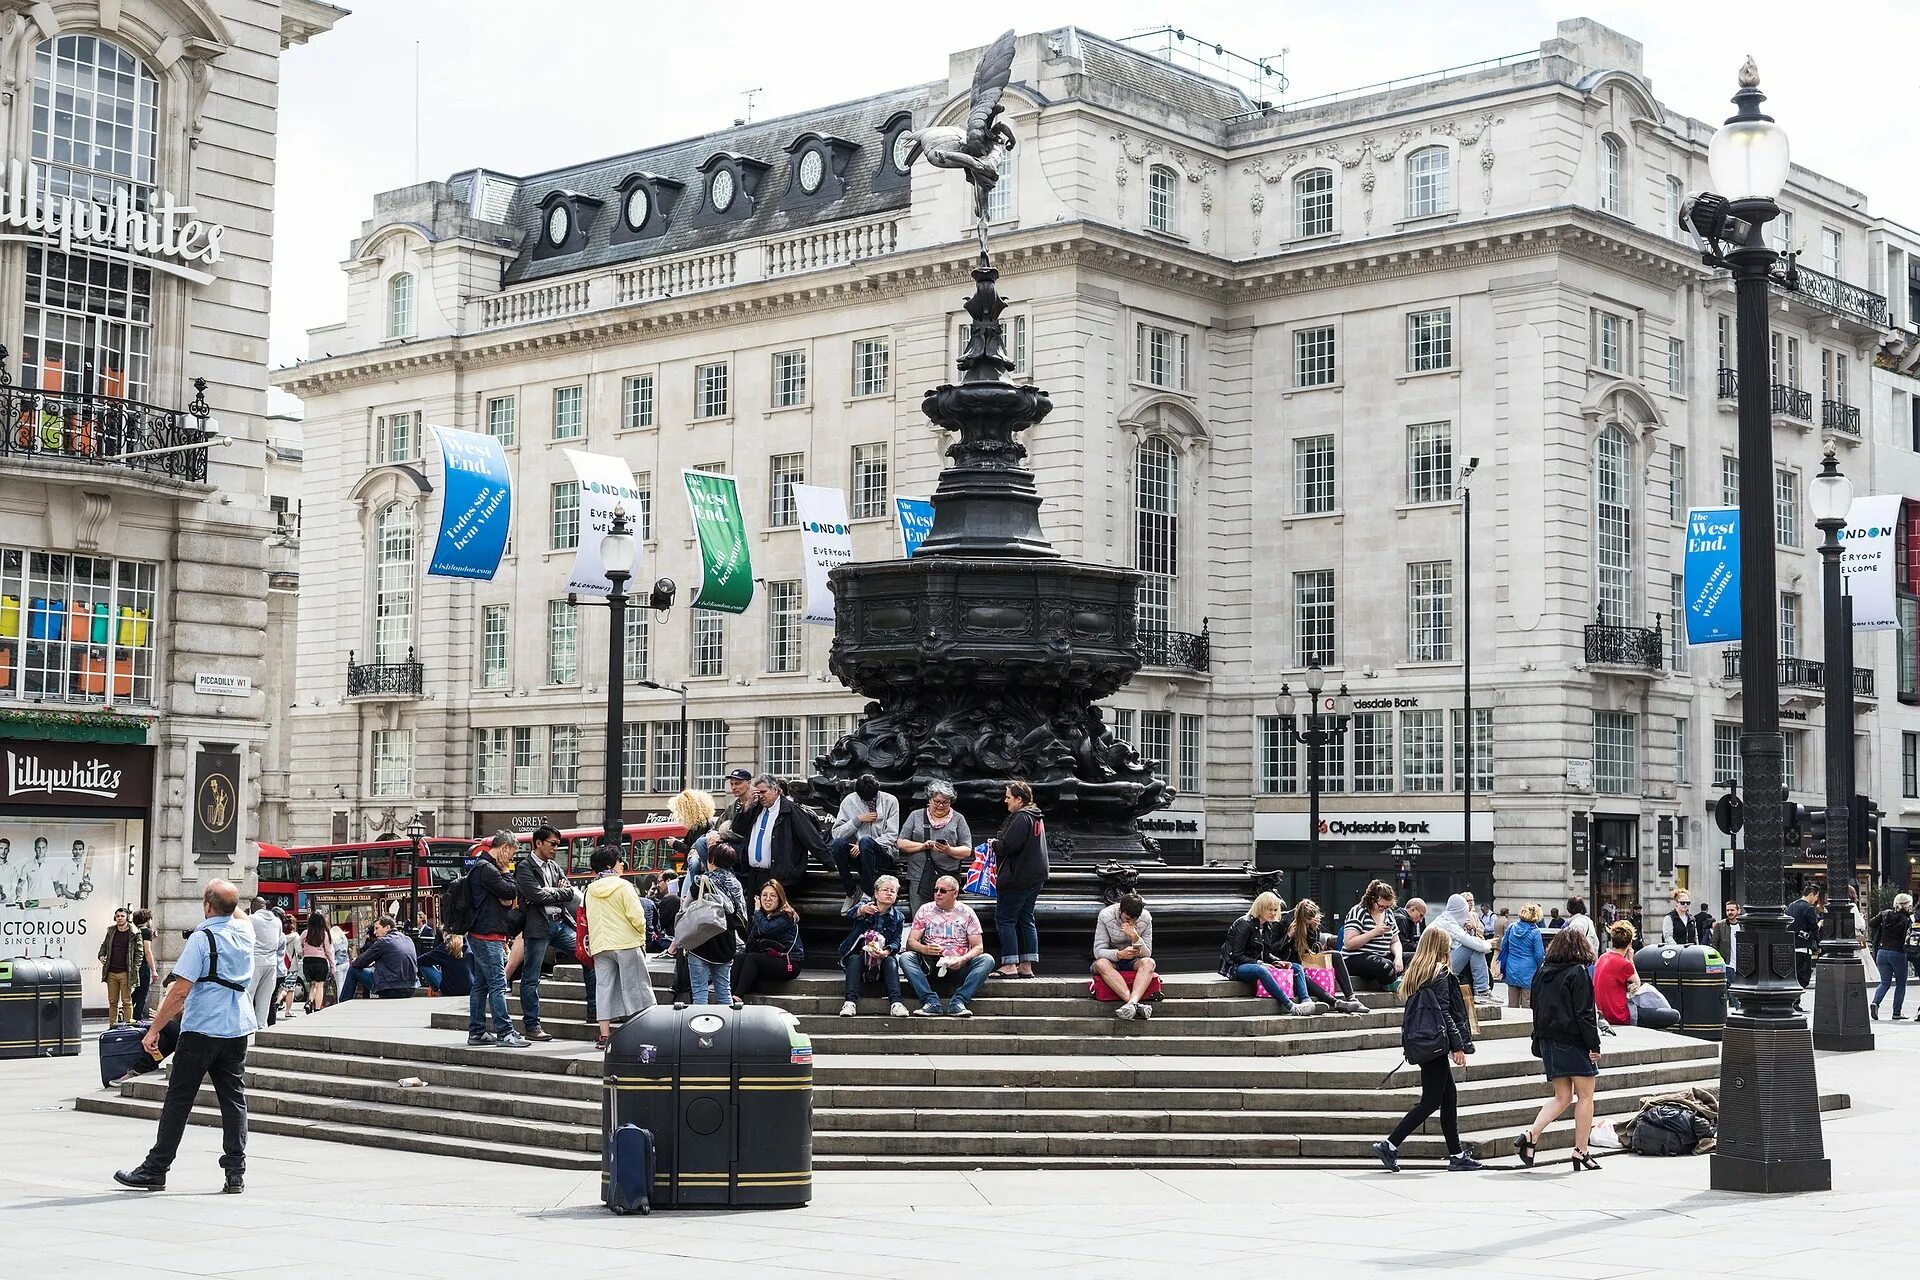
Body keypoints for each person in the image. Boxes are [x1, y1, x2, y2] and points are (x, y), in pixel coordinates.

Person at [113, 879, 257, 1194]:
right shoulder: (246, 932)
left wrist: (154, 1030)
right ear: (232, 908)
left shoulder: (202, 938)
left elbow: (179, 991)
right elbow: (239, 914)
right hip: (237, 1029)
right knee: (233, 1099)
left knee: (179, 1100)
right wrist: (227, 900)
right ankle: (235, 1172)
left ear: (207, 906)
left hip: (203, 1029)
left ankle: (156, 1168)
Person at [1372, 926, 1482, 1172]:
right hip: (1436, 1043)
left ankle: (1456, 1154)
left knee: (1448, 1098)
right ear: (1441, 947)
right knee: (1431, 1101)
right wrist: (1458, 1047)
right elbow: (1445, 1014)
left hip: (1423, 1040)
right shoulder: (1440, 972)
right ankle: (1390, 1144)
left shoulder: (1418, 972)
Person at [1513, 926, 1603, 1171]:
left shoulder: (1542, 972)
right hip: (1573, 1041)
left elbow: (1535, 1008)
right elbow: (1584, 1015)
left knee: (1562, 1096)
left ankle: (1531, 1135)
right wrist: (1593, 1044)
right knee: (1585, 1096)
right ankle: (1581, 1150)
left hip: (1548, 1040)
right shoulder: (1578, 972)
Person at [585, 845, 657, 1050]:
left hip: (600, 945)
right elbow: (637, 917)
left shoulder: (590, 889)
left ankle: (604, 1035)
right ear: (610, 865)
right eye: (619, 861)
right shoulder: (623, 886)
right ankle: (644, 1030)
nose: (622, 864)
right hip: (626, 943)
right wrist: (641, 937)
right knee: (636, 987)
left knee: (604, 989)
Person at [514, 824, 580, 1042]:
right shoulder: (524, 867)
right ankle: (532, 1026)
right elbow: (535, 896)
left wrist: (551, 892)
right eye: (552, 844)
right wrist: (554, 892)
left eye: (558, 845)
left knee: (587, 956)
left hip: (559, 924)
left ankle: (593, 1013)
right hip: (538, 927)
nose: (555, 849)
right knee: (531, 977)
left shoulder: (554, 866)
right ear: (538, 843)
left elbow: (570, 892)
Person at [467, 832, 529, 1047]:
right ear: (504, 848)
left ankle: (476, 1031)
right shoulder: (489, 869)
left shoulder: (480, 867)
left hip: (482, 932)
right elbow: (511, 891)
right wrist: (505, 870)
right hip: (487, 934)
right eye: (512, 852)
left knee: (481, 985)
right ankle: (505, 1032)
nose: (511, 858)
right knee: (497, 984)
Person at [901, 875, 994, 1016]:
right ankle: (930, 1001)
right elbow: (911, 942)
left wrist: (962, 960)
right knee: (906, 958)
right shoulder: (925, 909)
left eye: (943, 891)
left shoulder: (967, 912)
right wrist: (925, 949)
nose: (938, 894)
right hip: (931, 963)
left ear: (955, 893)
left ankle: (959, 1001)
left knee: (987, 959)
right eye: (935, 890)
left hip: (960, 964)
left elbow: (978, 946)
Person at [1219, 892, 1321, 1015]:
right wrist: (1261, 963)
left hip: (1255, 964)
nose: (1273, 913)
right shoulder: (1244, 924)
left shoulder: (1268, 927)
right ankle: (1291, 1006)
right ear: (1261, 908)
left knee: (1296, 966)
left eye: (1275, 909)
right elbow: (1236, 955)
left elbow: (1267, 954)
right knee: (1261, 970)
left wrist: (1277, 961)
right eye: (1270, 910)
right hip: (1234, 967)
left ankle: (1306, 1001)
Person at [989, 780, 1049, 979]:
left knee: (1005, 918)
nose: (1005, 801)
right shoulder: (1036, 817)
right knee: (1026, 918)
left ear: (1019, 799)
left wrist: (995, 844)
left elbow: (1008, 846)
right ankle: (1027, 965)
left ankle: (1010, 964)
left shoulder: (1021, 817)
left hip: (1018, 876)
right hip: (1035, 876)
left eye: (1008, 797)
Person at [681, 842, 748, 1008]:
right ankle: (726, 1032)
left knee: (700, 993)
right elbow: (742, 915)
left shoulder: (700, 882)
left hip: (700, 942)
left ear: (711, 860)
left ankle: (701, 1033)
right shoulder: (736, 884)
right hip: (726, 944)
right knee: (724, 992)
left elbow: (686, 907)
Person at [1271, 897, 1367, 1013]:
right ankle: (1335, 1002)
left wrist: (1313, 930)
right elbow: (1273, 951)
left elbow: (1313, 949)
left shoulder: (1313, 924)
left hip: (1308, 959)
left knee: (1336, 955)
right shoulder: (1283, 922)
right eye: (1307, 924)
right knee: (1299, 971)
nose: (1309, 926)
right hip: (1291, 964)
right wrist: (1288, 937)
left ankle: (1352, 998)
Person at [738, 774, 825, 900]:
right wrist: (747, 806)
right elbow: (737, 829)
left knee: (776, 916)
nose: (761, 796)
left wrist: (829, 862)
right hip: (754, 876)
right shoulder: (755, 808)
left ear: (776, 790)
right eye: (758, 793)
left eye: (764, 792)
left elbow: (810, 838)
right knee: (754, 915)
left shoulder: (790, 810)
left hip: (779, 877)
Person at [894, 781, 973, 913]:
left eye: (945, 802)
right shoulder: (915, 816)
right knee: (920, 917)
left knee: (946, 917)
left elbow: (967, 850)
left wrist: (949, 850)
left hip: (947, 878)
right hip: (919, 877)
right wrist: (923, 846)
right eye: (937, 801)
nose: (941, 805)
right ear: (929, 799)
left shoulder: (958, 819)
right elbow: (900, 843)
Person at [838, 873, 910, 1018]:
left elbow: (896, 941)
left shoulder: (898, 917)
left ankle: (896, 1003)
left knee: (891, 960)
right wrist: (861, 910)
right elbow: (850, 914)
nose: (889, 893)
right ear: (876, 893)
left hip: (881, 960)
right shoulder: (865, 907)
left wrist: (887, 951)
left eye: (893, 891)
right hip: (859, 957)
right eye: (885, 890)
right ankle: (850, 1002)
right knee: (854, 959)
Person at [829, 773, 901, 910]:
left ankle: (867, 892)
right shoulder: (849, 801)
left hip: (883, 853)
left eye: (871, 799)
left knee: (866, 841)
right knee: (838, 845)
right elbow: (836, 833)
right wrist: (858, 820)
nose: (868, 802)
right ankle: (851, 892)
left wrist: (863, 844)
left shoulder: (890, 801)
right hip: (860, 854)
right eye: (863, 800)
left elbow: (891, 836)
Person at [1593, 921, 1679, 1030]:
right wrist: (1630, 959)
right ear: (1629, 944)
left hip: (1604, 1015)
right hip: (1621, 1016)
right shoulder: (1624, 963)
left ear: (1612, 941)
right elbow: (1637, 984)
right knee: (1674, 1015)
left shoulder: (1602, 958)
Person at [1091, 893, 1159, 1020]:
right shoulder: (1106, 915)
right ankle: (1135, 1004)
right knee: (1101, 964)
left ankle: (1132, 1003)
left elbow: (1147, 953)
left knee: (1149, 962)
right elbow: (1098, 951)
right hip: (1111, 960)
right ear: (1120, 910)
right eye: (1127, 919)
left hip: (1133, 960)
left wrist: (1135, 937)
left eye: (1134, 920)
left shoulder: (1146, 918)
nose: (1131, 922)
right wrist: (1118, 954)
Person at [733, 880, 804, 1000]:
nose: (768, 899)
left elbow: (767, 929)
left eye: (773, 896)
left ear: (780, 899)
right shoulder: (761, 917)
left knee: (752, 958)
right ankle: (728, 995)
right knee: (741, 957)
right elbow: (749, 946)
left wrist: (757, 912)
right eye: (764, 895)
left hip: (789, 962)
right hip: (769, 959)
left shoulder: (786, 916)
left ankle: (738, 996)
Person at [1342, 880, 1405, 988]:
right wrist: (1374, 932)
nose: (1383, 909)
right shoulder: (1359, 911)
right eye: (1381, 906)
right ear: (1373, 900)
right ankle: (1393, 982)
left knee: (1416, 958)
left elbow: (1395, 941)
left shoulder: (1388, 913)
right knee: (1385, 966)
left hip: (1383, 955)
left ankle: (1398, 979)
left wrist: (1398, 957)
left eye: (1387, 907)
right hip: (1357, 956)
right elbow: (1349, 943)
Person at [346, 915, 418, 998]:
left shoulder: (384, 941)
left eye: (377, 928)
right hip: (411, 987)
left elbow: (359, 963)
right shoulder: (408, 939)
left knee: (353, 969)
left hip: (390, 988)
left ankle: (343, 1003)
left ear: (387, 927)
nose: (374, 932)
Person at [1436, 892, 1492, 997]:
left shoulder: (1444, 920)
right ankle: (1482, 990)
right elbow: (1468, 941)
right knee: (1473, 947)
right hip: (1440, 966)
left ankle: (1482, 989)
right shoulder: (1449, 924)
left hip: (1439, 963)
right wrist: (1487, 945)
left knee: (1473, 946)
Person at [1870, 892, 1914, 1021]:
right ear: (1906, 905)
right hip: (1897, 953)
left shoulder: (1885, 914)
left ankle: (1875, 1002)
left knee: (1885, 982)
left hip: (1882, 952)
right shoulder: (1906, 919)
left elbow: (1872, 923)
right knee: (1901, 984)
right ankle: (1896, 1012)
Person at [244, 897, 282, 1029]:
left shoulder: (251, 919)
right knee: (265, 998)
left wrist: (246, 915)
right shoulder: (277, 921)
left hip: (255, 960)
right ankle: (261, 1025)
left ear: (254, 906)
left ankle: (248, 1025)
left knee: (249, 995)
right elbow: (278, 939)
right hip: (272, 962)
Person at [1498, 904, 1546, 1008]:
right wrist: (1539, 968)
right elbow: (1539, 955)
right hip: (1529, 970)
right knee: (1527, 1003)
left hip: (1511, 968)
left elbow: (1503, 945)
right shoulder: (1535, 932)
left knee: (1512, 1003)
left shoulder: (1511, 927)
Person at [98, 907, 139, 1024]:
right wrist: (101, 956)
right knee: (112, 1001)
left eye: (122, 916)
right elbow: (104, 946)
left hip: (126, 972)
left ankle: (127, 1026)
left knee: (127, 1001)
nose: (120, 918)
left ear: (127, 917)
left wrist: (134, 969)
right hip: (111, 971)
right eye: (118, 916)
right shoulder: (111, 931)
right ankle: (112, 1025)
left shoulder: (134, 932)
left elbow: (139, 953)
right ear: (115, 918)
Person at [1787, 884, 1824, 1008]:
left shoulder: (1791, 906)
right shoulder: (1809, 908)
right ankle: (1794, 1001)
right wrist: (1819, 942)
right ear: (1811, 894)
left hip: (1790, 946)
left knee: (1793, 976)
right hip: (1803, 947)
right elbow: (1813, 928)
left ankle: (1794, 1002)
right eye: (1816, 897)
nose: (1816, 900)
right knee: (1803, 977)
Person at [1710, 901, 1742, 1013]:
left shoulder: (1744, 925)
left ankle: (1736, 1008)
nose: (1730, 912)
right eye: (1728, 910)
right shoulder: (1720, 926)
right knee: (1733, 986)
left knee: (1741, 987)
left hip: (1743, 963)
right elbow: (1714, 944)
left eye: (1732, 910)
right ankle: (1740, 1009)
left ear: (1738, 911)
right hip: (1728, 962)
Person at [299, 910, 333, 1012]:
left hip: (307, 961)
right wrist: (332, 965)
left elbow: (299, 946)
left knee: (313, 984)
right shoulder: (324, 934)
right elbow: (329, 951)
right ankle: (317, 1008)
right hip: (320, 961)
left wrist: (303, 953)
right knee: (320, 985)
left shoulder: (305, 933)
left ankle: (309, 1002)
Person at [416, 931, 469, 997]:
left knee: (423, 965)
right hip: (469, 988)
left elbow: (420, 960)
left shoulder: (445, 947)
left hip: (450, 989)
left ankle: (436, 990)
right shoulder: (468, 947)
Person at [129, 908, 157, 1022]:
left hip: (132, 964)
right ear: (147, 919)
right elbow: (147, 951)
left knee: (138, 990)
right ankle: (137, 1016)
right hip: (143, 965)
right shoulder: (146, 931)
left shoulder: (133, 930)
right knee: (143, 991)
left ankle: (125, 1009)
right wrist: (154, 970)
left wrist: (152, 937)